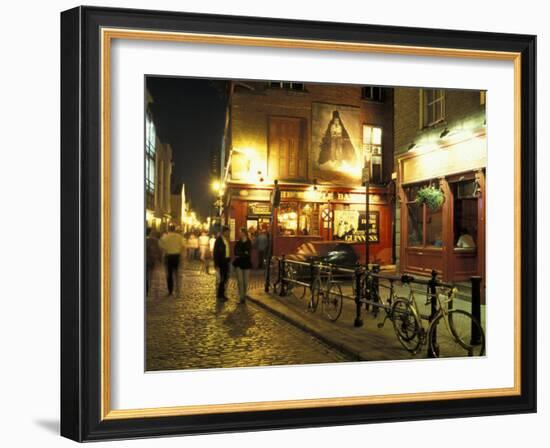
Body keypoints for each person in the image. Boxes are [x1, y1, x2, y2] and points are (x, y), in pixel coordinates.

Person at [159, 224, 185, 297]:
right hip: (177, 256)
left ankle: (170, 290)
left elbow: (161, 246)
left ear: (168, 229)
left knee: (169, 274)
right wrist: (180, 253)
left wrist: (166, 250)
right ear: (175, 229)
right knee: (177, 273)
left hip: (168, 256)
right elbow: (183, 246)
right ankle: (178, 290)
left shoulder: (165, 237)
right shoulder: (179, 237)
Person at [233, 228, 253, 304]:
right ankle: (241, 298)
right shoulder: (238, 242)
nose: (239, 234)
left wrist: (241, 254)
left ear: (244, 233)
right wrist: (243, 253)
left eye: (240, 232)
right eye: (239, 232)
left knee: (245, 282)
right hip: (238, 263)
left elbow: (248, 253)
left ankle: (244, 295)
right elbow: (235, 252)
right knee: (240, 281)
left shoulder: (249, 242)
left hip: (246, 263)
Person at [213, 226, 231, 302]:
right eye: (227, 232)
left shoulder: (226, 240)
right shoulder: (219, 240)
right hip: (221, 262)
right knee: (222, 278)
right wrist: (216, 264)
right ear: (224, 232)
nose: (228, 233)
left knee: (225, 278)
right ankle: (220, 295)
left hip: (226, 261)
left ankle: (221, 294)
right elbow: (216, 252)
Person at [145, 228, 162, 296]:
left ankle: (146, 289)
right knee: (150, 275)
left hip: (147, 260)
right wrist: (159, 258)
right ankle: (149, 287)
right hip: (151, 260)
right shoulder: (154, 241)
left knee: (146, 275)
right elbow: (158, 251)